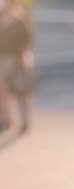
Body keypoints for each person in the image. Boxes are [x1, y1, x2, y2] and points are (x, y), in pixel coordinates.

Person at [0, 0, 33, 133]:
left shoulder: (21, 19)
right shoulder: (2, 17)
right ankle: (5, 118)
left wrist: (23, 57)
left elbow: (27, 40)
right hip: (3, 58)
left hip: (17, 58)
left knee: (21, 91)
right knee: (3, 92)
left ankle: (25, 120)